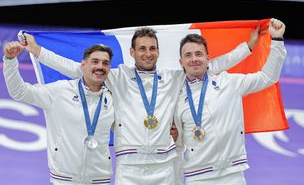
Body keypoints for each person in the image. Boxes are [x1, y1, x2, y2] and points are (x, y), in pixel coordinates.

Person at [19, 27, 255, 185]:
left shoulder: (173, 78)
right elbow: (78, 69)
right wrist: (38, 51)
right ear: (132, 52)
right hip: (129, 168)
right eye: (142, 48)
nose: (148, 53)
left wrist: (248, 46)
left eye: (152, 48)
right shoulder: (117, 77)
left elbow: (210, 66)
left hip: (166, 167)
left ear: (158, 52)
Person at [174, 18, 286, 185]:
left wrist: (276, 40)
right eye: (188, 55)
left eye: (199, 54)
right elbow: (177, 146)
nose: (194, 59)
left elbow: (267, 77)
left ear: (208, 58)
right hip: (196, 177)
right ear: (181, 62)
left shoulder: (229, 83)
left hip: (233, 175)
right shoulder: (174, 96)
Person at [3, 42, 115, 185]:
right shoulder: (60, 91)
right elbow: (20, 92)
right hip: (64, 178)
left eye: (105, 63)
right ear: (83, 65)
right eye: (95, 61)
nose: (100, 66)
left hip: (100, 179)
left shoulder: (113, 99)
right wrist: (10, 60)